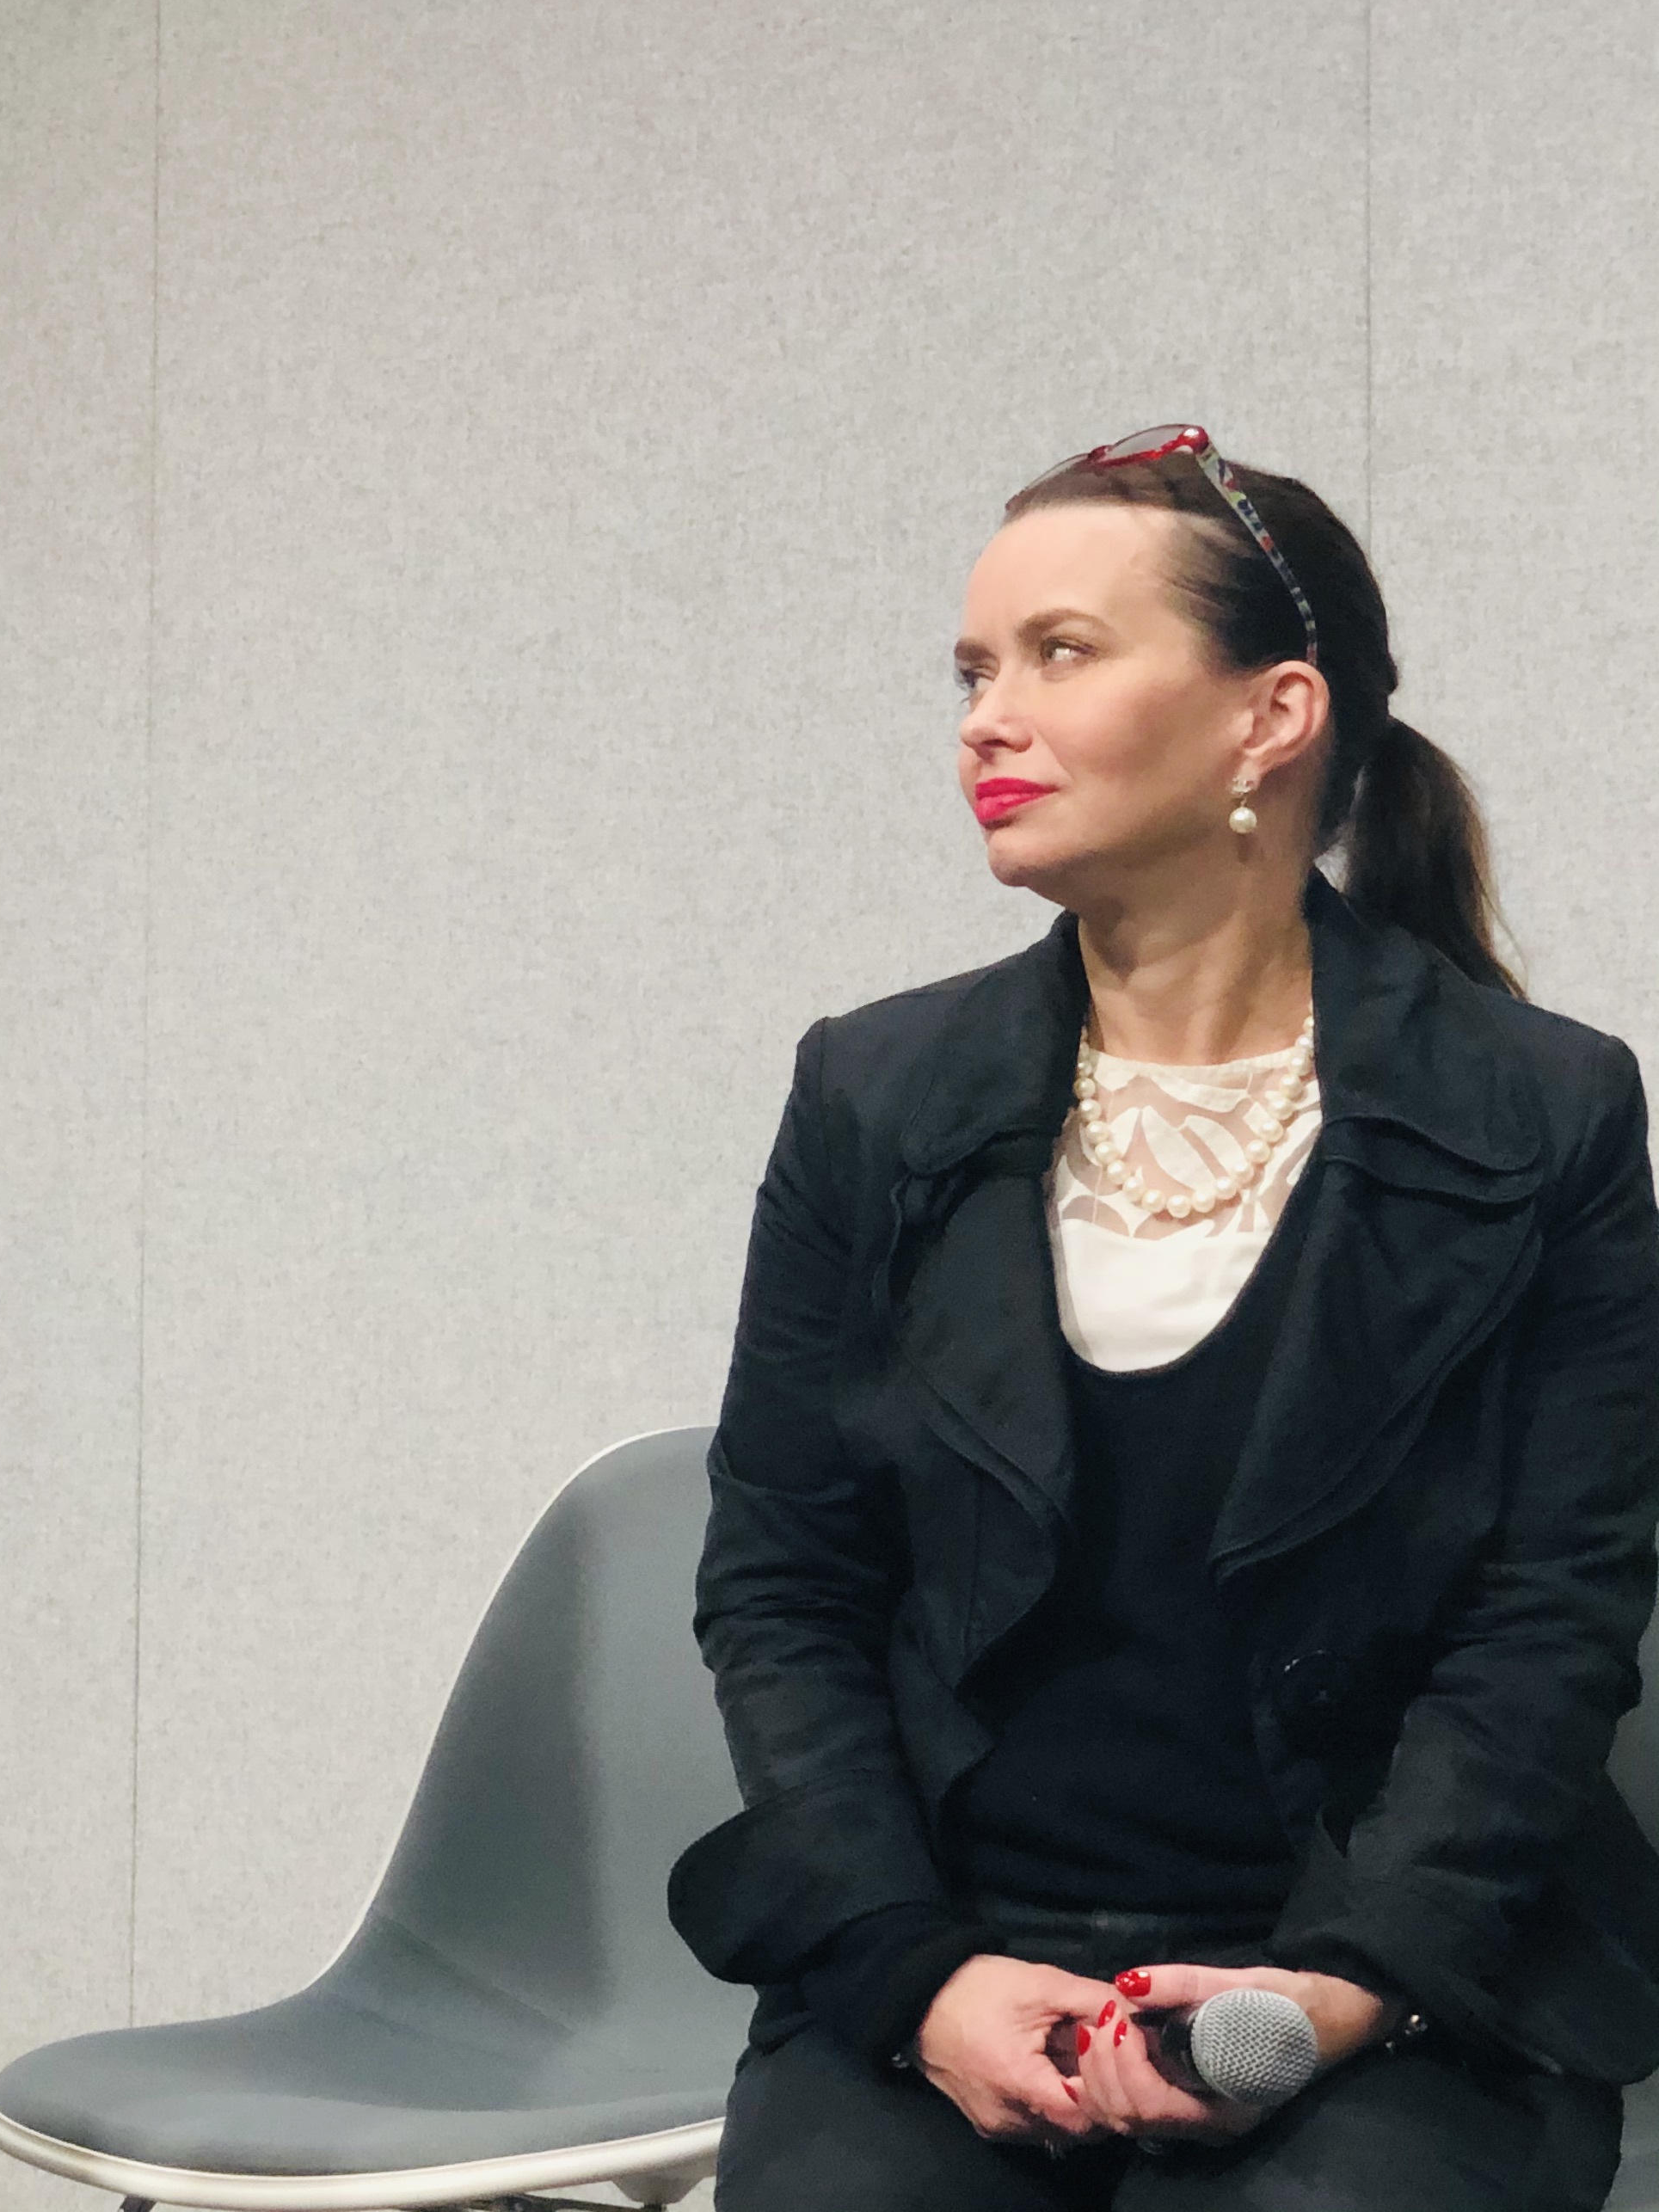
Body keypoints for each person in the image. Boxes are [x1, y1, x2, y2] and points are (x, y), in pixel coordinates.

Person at [671, 426, 1659, 2209]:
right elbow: (784, 1584)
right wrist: (914, 1975)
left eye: (1059, 654)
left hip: (1380, 1971)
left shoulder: (1545, 1114)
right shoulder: (873, 1097)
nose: (986, 721)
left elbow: (1550, 1617)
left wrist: (1343, 1986)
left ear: (1270, 717)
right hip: (956, 1945)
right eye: (973, 671)